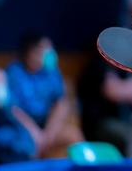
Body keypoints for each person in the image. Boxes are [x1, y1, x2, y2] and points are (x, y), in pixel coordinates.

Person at [5, 31, 84, 159]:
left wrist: (48, 135)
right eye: (46, 49)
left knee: (74, 135)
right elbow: (13, 109)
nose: (51, 53)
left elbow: (60, 103)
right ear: (31, 52)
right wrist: (35, 134)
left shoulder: (51, 70)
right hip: (23, 127)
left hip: (47, 125)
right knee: (26, 146)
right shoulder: (14, 72)